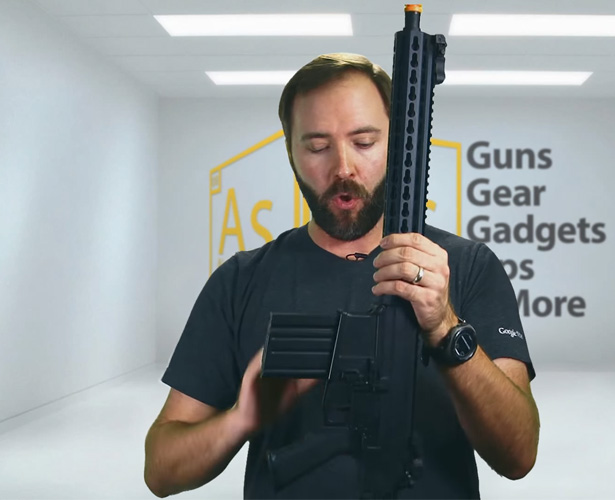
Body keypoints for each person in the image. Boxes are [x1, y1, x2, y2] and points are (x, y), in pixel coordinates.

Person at [144, 53, 540, 499]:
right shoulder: (240, 280)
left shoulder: (466, 266)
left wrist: (446, 328)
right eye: (317, 147)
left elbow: (519, 454)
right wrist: (240, 420)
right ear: (291, 152)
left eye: (364, 142)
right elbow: (161, 470)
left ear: (398, 144)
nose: (343, 168)